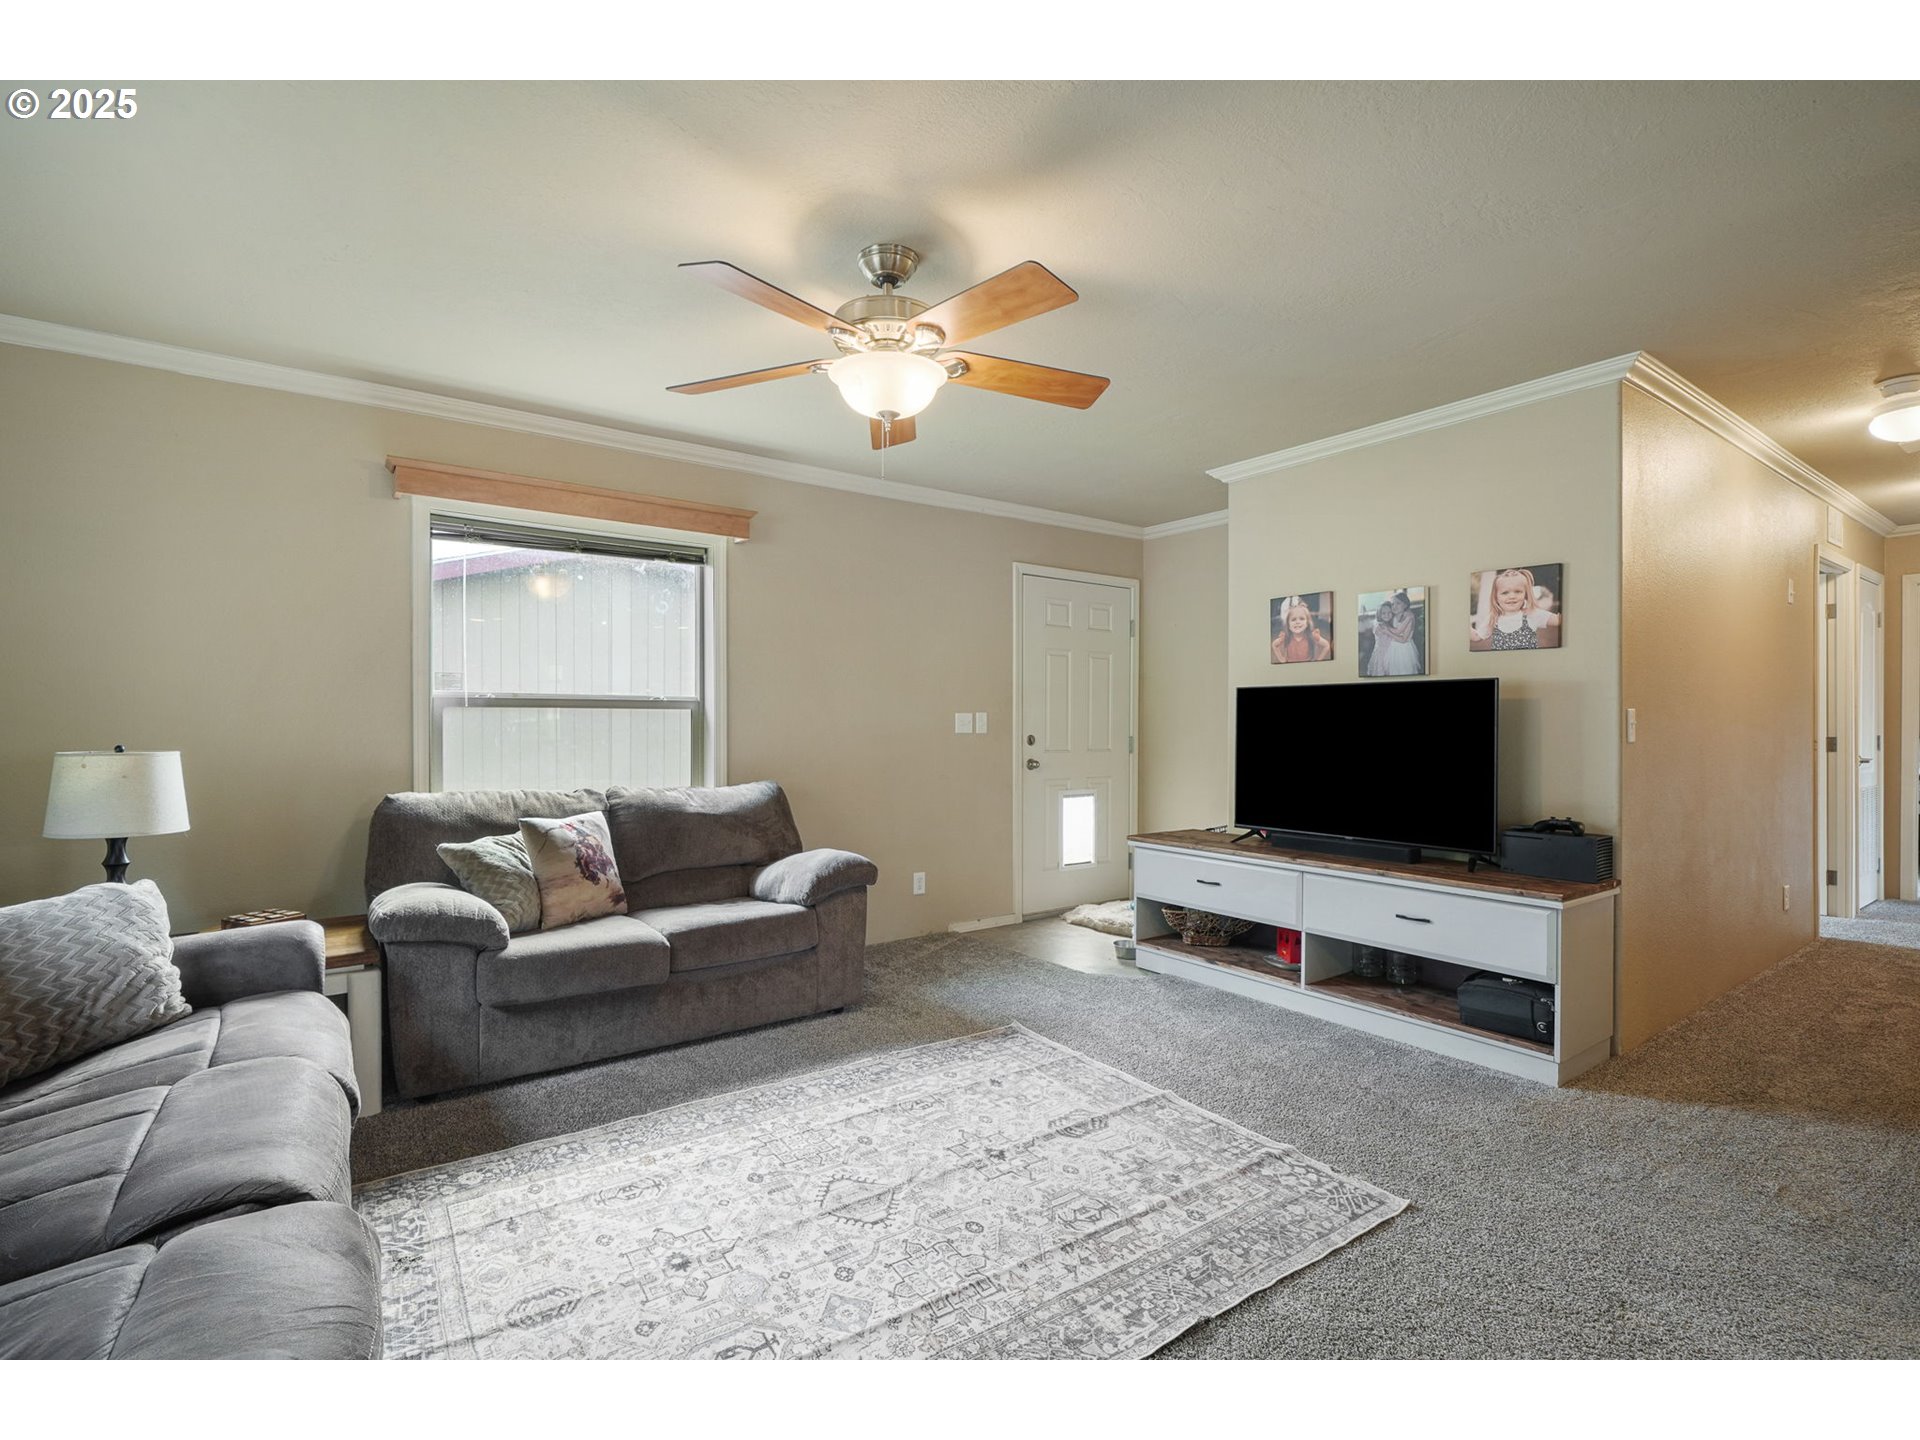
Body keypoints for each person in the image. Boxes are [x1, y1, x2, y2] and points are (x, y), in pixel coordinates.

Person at [1471, 568, 1560, 651]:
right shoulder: (1493, 618)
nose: (1512, 596)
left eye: (1518, 591)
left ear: (1525, 594)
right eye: (1505, 593)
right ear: (1496, 597)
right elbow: (1476, 637)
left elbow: (1558, 620)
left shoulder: (1532, 614)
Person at [1366, 591, 1422, 675]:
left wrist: (1387, 630)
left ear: (1405, 605)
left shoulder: (1409, 617)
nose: (1394, 606)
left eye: (1398, 603)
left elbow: (1400, 635)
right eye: (1392, 604)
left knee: (1404, 671)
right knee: (1392, 672)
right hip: (1391, 649)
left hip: (1403, 650)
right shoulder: (1394, 616)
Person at [1271, 595, 1332, 663]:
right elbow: (1274, 645)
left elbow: (1326, 645)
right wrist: (1282, 659)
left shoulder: (1313, 636)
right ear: (1288, 625)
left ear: (1307, 623)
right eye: (1293, 620)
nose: (1297, 622)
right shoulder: (1286, 637)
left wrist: (1318, 660)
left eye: (1302, 619)